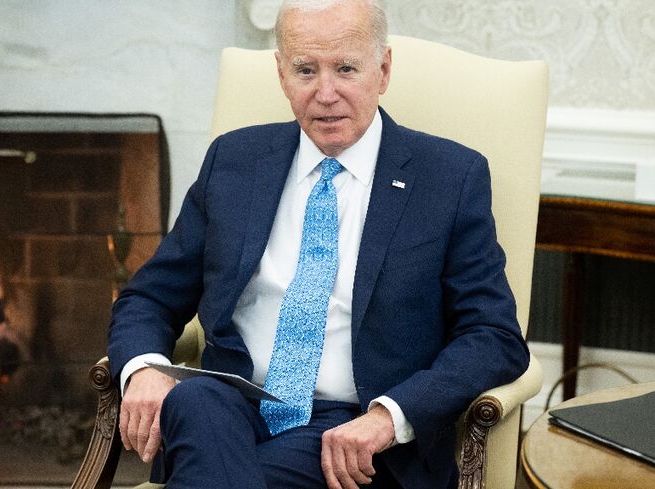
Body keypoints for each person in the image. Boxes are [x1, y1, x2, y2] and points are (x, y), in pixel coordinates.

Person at [107, 0, 530, 488]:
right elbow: (150, 296)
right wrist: (143, 370)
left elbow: (493, 336)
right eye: (306, 70)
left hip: (351, 432)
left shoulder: (449, 178)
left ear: (383, 69)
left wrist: (388, 417)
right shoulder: (234, 160)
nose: (325, 93)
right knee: (194, 398)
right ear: (282, 74)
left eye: (346, 68)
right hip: (230, 412)